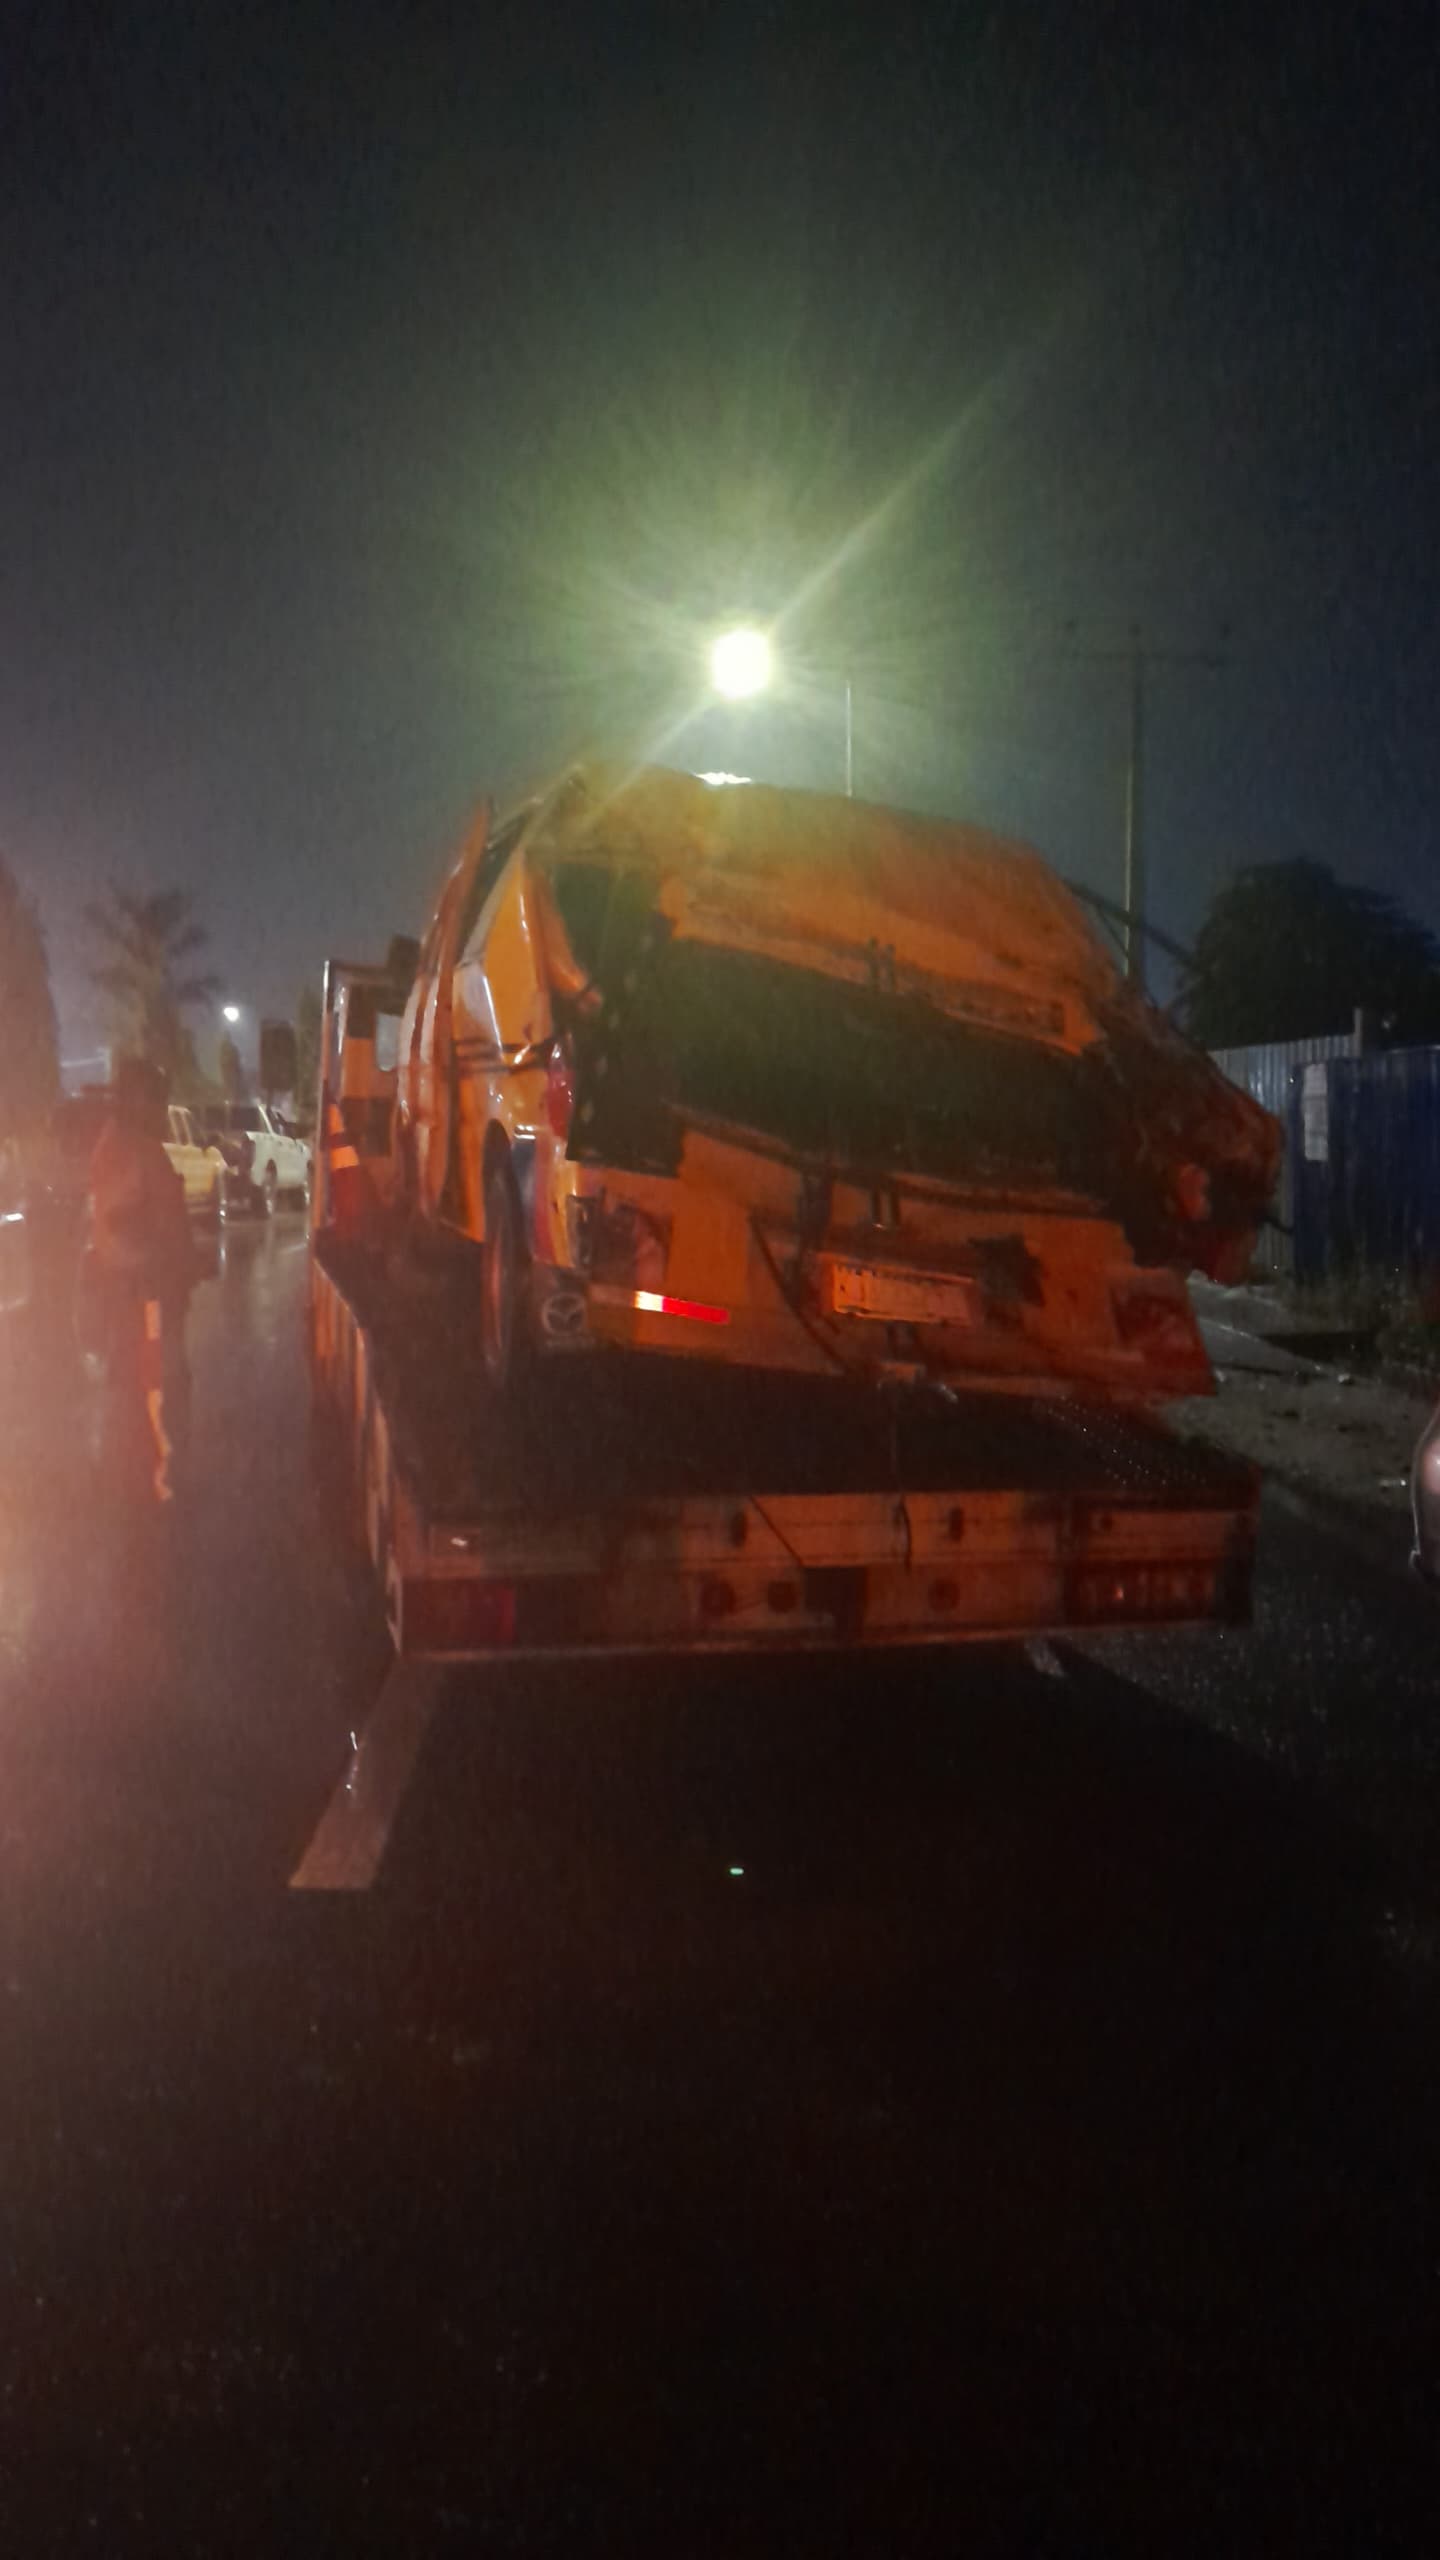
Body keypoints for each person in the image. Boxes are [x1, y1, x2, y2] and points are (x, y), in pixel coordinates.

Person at [88, 1059, 201, 1503]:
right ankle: (158, 1481)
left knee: (149, 1385)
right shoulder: (129, 1150)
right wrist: (162, 1265)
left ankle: (143, 1475)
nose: (163, 1109)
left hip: (146, 1292)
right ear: (136, 1099)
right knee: (158, 1387)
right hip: (146, 1297)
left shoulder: (127, 1146)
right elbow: (120, 1225)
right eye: (157, 1098)